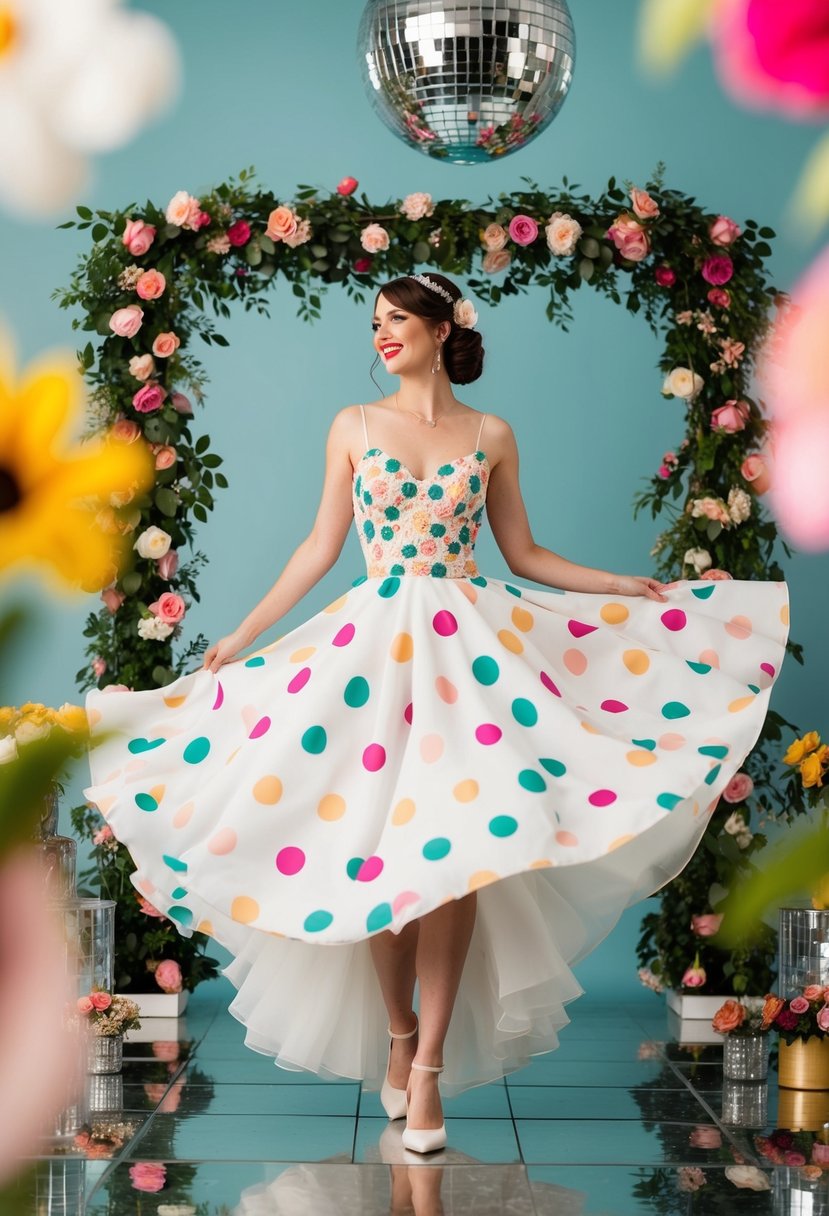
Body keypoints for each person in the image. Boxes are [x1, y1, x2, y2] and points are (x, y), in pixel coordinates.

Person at [84, 271, 789, 1156]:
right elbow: (319, 545)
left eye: (395, 320)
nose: (380, 334)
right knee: (377, 858)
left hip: (468, 662)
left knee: (456, 854)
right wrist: (241, 633)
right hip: (372, 658)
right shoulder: (353, 423)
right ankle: (398, 1029)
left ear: (439, 326)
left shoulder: (490, 432)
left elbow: (522, 550)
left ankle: (427, 1075)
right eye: (372, 321)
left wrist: (621, 586)